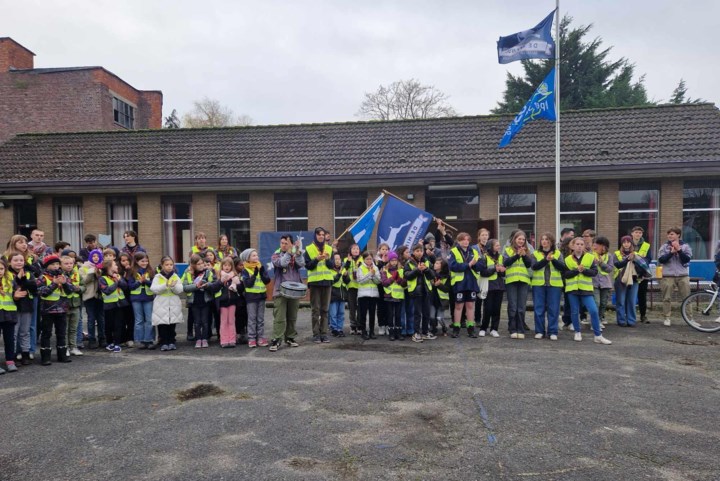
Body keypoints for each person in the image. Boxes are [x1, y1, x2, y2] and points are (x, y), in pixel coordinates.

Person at [563, 238, 612, 345]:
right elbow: (565, 274)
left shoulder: (590, 258)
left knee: (593, 310)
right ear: (572, 246)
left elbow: (594, 272)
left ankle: (598, 335)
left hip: (586, 289)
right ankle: (577, 332)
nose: (579, 246)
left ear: (584, 246)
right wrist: (577, 270)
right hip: (572, 289)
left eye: (581, 244)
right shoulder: (567, 259)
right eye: (577, 244)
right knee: (574, 311)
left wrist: (584, 270)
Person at [37, 254, 79, 364]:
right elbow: (42, 292)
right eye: (52, 264)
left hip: (62, 308)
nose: (55, 266)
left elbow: (71, 290)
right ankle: (46, 357)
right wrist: (54, 284)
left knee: (61, 333)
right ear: (47, 266)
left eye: (57, 264)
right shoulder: (43, 277)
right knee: (46, 333)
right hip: (47, 310)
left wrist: (64, 283)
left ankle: (62, 355)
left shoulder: (63, 276)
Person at [270, 235, 305, 350]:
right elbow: (282, 263)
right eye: (282, 243)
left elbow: (301, 264)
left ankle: (290, 337)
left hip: (294, 290)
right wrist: (289, 253)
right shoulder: (276, 255)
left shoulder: (295, 254)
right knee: (279, 316)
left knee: (292, 316)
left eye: (286, 243)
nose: (284, 245)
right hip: (280, 290)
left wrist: (298, 252)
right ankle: (276, 339)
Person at [183, 254, 222, 348]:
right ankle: (198, 339)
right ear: (193, 265)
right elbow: (184, 287)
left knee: (205, 321)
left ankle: (204, 339)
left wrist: (206, 285)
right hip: (194, 301)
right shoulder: (188, 273)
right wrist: (196, 286)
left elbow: (213, 283)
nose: (201, 265)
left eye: (202, 263)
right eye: (198, 264)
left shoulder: (208, 272)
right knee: (197, 322)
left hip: (206, 301)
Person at [530, 233, 564, 340]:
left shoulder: (558, 254)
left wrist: (552, 259)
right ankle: (539, 331)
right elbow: (534, 267)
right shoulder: (535, 253)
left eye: (547, 239)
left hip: (554, 285)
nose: (544, 241)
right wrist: (546, 260)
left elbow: (562, 267)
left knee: (553, 309)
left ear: (551, 241)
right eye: (542, 239)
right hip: (538, 285)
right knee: (539, 309)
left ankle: (553, 331)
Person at [448, 232, 482, 338]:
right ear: (458, 241)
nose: (466, 241)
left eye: (468, 239)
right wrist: (469, 265)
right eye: (463, 239)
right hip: (459, 283)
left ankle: (471, 328)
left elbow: (480, 265)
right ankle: (456, 328)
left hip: (471, 282)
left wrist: (475, 265)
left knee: (470, 305)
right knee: (458, 306)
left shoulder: (474, 251)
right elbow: (453, 266)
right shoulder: (453, 251)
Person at [657, 227, 692, 326]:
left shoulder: (685, 246)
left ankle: (690, 319)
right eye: (668, 234)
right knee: (666, 298)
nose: (669, 236)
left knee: (687, 297)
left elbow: (686, 260)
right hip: (668, 275)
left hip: (683, 275)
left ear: (678, 235)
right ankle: (667, 318)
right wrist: (671, 253)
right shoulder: (664, 247)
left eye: (672, 234)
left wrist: (679, 251)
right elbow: (661, 260)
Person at [304, 227, 334, 343]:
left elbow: (332, 266)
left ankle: (324, 333)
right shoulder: (309, 248)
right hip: (315, 283)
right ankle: (316, 334)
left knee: (325, 309)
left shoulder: (329, 249)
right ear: (315, 236)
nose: (321, 236)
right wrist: (316, 259)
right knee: (315, 310)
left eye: (323, 234)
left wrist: (327, 260)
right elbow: (308, 266)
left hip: (327, 282)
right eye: (319, 234)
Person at [612, 236, 648, 327]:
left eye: (628, 242)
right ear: (622, 244)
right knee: (621, 301)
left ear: (631, 243)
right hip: (620, 280)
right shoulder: (616, 254)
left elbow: (642, 266)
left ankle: (631, 320)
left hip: (634, 280)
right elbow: (617, 265)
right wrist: (627, 259)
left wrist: (635, 259)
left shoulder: (636, 254)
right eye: (624, 242)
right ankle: (621, 320)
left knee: (631, 301)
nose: (626, 244)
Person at [150, 256, 184, 351]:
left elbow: (180, 290)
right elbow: (154, 289)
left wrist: (173, 287)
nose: (169, 266)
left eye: (171, 265)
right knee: (162, 325)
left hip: (173, 304)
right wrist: (165, 285)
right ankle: (164, 342)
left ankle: (171, 342)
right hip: (161, 304)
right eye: (167, 265)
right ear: (162, 266)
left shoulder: (175, 276)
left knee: (172, 325)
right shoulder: (158, 276)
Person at [8, 252, 36, 365]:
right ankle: (13, 355)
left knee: (25, 331)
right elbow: (8, 287)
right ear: (10, 262)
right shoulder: (6, 273)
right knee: (13, 333)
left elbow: (34, 287)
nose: (19, 262)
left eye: (21, 260)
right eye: (15, 260)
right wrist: (17, 280)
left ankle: (25, 354)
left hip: (26, 306)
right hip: (11, 306)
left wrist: (22, 280)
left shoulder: (28, 273)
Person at [503, 230, 533, 339]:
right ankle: (512, 329)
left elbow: (529, 264)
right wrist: (516, 255)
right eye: (519, 239)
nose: (521, 241)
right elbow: (505, 263)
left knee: (521, 307)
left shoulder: (528, 250)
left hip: (524, 281)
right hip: (511, 281)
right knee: (513, 306)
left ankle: (520, 329)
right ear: (515, 239)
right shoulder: (508, 250)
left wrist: (524, 255)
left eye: (523, 239)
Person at [404, 243, 436, 342]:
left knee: (426, 312)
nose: (419, 253)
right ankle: (416, 332)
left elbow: (432, 275)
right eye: (417, 251)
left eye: (421, 251)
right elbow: (407, 276)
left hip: (426, 290)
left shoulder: (426, 261)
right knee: (417, 313)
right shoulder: (409, 262)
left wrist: (426, 269)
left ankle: (425, 332)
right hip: (416, 291)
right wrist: (417, 270)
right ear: (413, 252)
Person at [240, 248, 270, 348]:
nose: (256, 257)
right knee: (252, 319)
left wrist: (261, 272)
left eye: (256, 255)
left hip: (261, 296)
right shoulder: (245, 270)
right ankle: (252, 338)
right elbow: (248, 284)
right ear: (247, 258)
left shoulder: (261, 267)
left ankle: (260, 337)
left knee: (260, 319)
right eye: (253, 255)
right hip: (251, 298)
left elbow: (267, 281)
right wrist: (254, 274)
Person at [98, 258, 129, 353]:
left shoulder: (118, 276)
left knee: (118, 324)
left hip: (120, 304)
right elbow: (107, 291)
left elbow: (125, 287)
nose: (117, 266)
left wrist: (119, 280)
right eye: (115, 265)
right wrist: (116, 283)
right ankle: (109, 342)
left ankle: (117, 343)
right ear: (109, 267)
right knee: (109, 325)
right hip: (109, 305)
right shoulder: (102, 279)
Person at [478, 239, 506, 338]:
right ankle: (483, 328)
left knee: (497, 309)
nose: (499, 246)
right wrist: (495, 269)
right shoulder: (484, 257)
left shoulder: (502, 257)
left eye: (499, 245)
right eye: (497, 245)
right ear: (491, 246)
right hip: (489, 286)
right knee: (487, 308)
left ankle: (494, 329)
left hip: (499, 286)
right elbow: (483, 272)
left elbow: (503, 273)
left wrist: (502, 270)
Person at [127, 252, 155, 349]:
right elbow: (130, 286)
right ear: (137, 261)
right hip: (136, 299)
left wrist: (146, 281)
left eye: (146, 261)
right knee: (139, 320)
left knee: (149, 320)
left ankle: (149, 340)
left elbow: (153, 284)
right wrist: (139, 282)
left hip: (148, 298)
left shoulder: (151, 271)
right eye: (142, 261)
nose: (145, 263)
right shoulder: (132, 271)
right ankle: (139, 340)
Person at [60, 254, 84, 356]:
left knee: (73, 328)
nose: (69, 265)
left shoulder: (77, 274)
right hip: (64, 305)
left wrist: (79, 289)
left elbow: (84, 286)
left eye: (71, 263)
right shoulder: (60, 275)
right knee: (64, 329)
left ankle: (73, 347)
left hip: (76, 304)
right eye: (66, 263)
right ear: (61, 265)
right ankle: (65, 347)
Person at [80, 249, 105, 348]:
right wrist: (91, 272)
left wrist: (100, 272)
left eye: (98, 256)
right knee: (91, 318)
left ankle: (102, 338)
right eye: (94, 256)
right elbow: (84, 281)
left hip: (100, 296)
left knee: (101, 318)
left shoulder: (103, 267)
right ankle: (91, 339)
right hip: (89, 296)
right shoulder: (84, 267)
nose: (96, 258)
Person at [356, 251, 381, 340]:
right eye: (367, 259)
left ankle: (372, 331)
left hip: (373, 294)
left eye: (370, 259)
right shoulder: (360, 268)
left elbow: (378, 281)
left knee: (372, 314)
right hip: (363, 295)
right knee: (363, 314)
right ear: (364, 259)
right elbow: (360, 281)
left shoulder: (376, 268)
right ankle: (363, 331)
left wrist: (373, 275)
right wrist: (369, 274)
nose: (369, 261)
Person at [380, 251, 405, 341]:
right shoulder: (385, 270)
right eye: (392, 260)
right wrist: (392, 278)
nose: (394, 262)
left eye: (395, 260)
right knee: (390, 315)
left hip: (398, 296)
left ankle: (398, 333)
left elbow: (405, 284)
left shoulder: (401, 270)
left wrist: (398, 279)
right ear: (389, 261)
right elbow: (384, 283)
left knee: (398, 315)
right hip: (389, 296)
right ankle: (391, 333)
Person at [217, 257, 241, 348]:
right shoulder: (220, 276)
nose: (227, 267)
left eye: (229, 265)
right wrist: (221, 281)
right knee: (224, 321)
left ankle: (232, 339)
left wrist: (237, 283)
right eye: (225, 265)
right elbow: (214, 287)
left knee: (231, 321)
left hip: (232, 302)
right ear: (222, 266)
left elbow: (240, 288)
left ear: (232, 266)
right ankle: (224, 340)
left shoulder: (234, 276)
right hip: (223, 302)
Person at [0, 259, 19, 373]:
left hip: (9, 313)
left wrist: (16, 295)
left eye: (1, 269)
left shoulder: (11, 279)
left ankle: (10, 361)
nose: (0, 271)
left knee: (9, 339)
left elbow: (16, 293)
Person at [630, 226, 652, 323]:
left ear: (642, 234)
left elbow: (649, 258)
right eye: (636, 232)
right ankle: (630, 315)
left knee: (642, 295)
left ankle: (643, 315)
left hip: (642, 273)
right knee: (630, 295)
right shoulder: (627, 243)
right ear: (632, 233)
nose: (638, 234)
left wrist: (641, 261)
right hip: (631, 272)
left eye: (640, 233)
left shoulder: (646, 245)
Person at [592, 236, 614, 326]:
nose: (595, 246)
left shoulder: (609, 256)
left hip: (605, 283)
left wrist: (601, 263)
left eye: (598, 244)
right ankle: (594, 322)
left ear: (604, 246)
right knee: (596, 302)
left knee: (603, 303)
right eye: (595, 243)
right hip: (594, 282)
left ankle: (600, 319)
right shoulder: (590, 255)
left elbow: (610, 269)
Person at [473, 228, 491, 329]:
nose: (485, 237)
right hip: (477, 275)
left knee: (486, 297)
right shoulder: (474, 248)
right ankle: (477, 319)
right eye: (483, 235)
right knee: (478, 299)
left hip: (488, 275)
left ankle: (486, 319)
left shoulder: (490, 247)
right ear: (479, 237)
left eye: (486, 235)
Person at [344, 244, 363, 335]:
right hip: (351, 286)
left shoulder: (362, 259)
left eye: (357, 248)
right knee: (352, 307)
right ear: (350, 250)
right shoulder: (346, 259)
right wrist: (348, 262)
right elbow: (343, 271)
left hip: (360, 286)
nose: (356, 250)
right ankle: (352, 326)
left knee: (360, 307)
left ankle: (359, 326)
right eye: (354, 249)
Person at [429, 258, 450, 336]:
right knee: (431, 316)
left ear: (442, 266)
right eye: (435, 263)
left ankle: (444, 328)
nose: (435, 264)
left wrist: (439, 285)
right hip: (432, 299)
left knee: (439, 317)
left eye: (438, 263)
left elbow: (447, 289)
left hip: (442, 300)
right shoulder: (431, 274)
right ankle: (433, 329)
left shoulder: (447, 276)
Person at [329, 253, 349, 337]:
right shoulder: (330, 270)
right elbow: (333, 280)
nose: (338, 260)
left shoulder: (343, 269)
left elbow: (347, 281)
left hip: (342, 295)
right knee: (333, 313)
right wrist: (340, 273)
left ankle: (339, 329)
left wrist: (346, 276)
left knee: (341, 313)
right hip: (333, 295)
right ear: (332, 261)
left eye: (339, 259)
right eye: (336, 259)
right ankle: (334, 329)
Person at [374, 243, 390, 336]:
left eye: (386, 249)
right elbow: (377, 270)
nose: (384, 251)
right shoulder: (376, 260)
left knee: (388, 306)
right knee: (380, 307)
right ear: (379, 250)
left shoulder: (391, 260)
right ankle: (381, 325)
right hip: (379, 286)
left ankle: (388, 325)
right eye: (383, 249)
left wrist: (386, 262)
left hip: (388, 286)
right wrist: (382, 262)